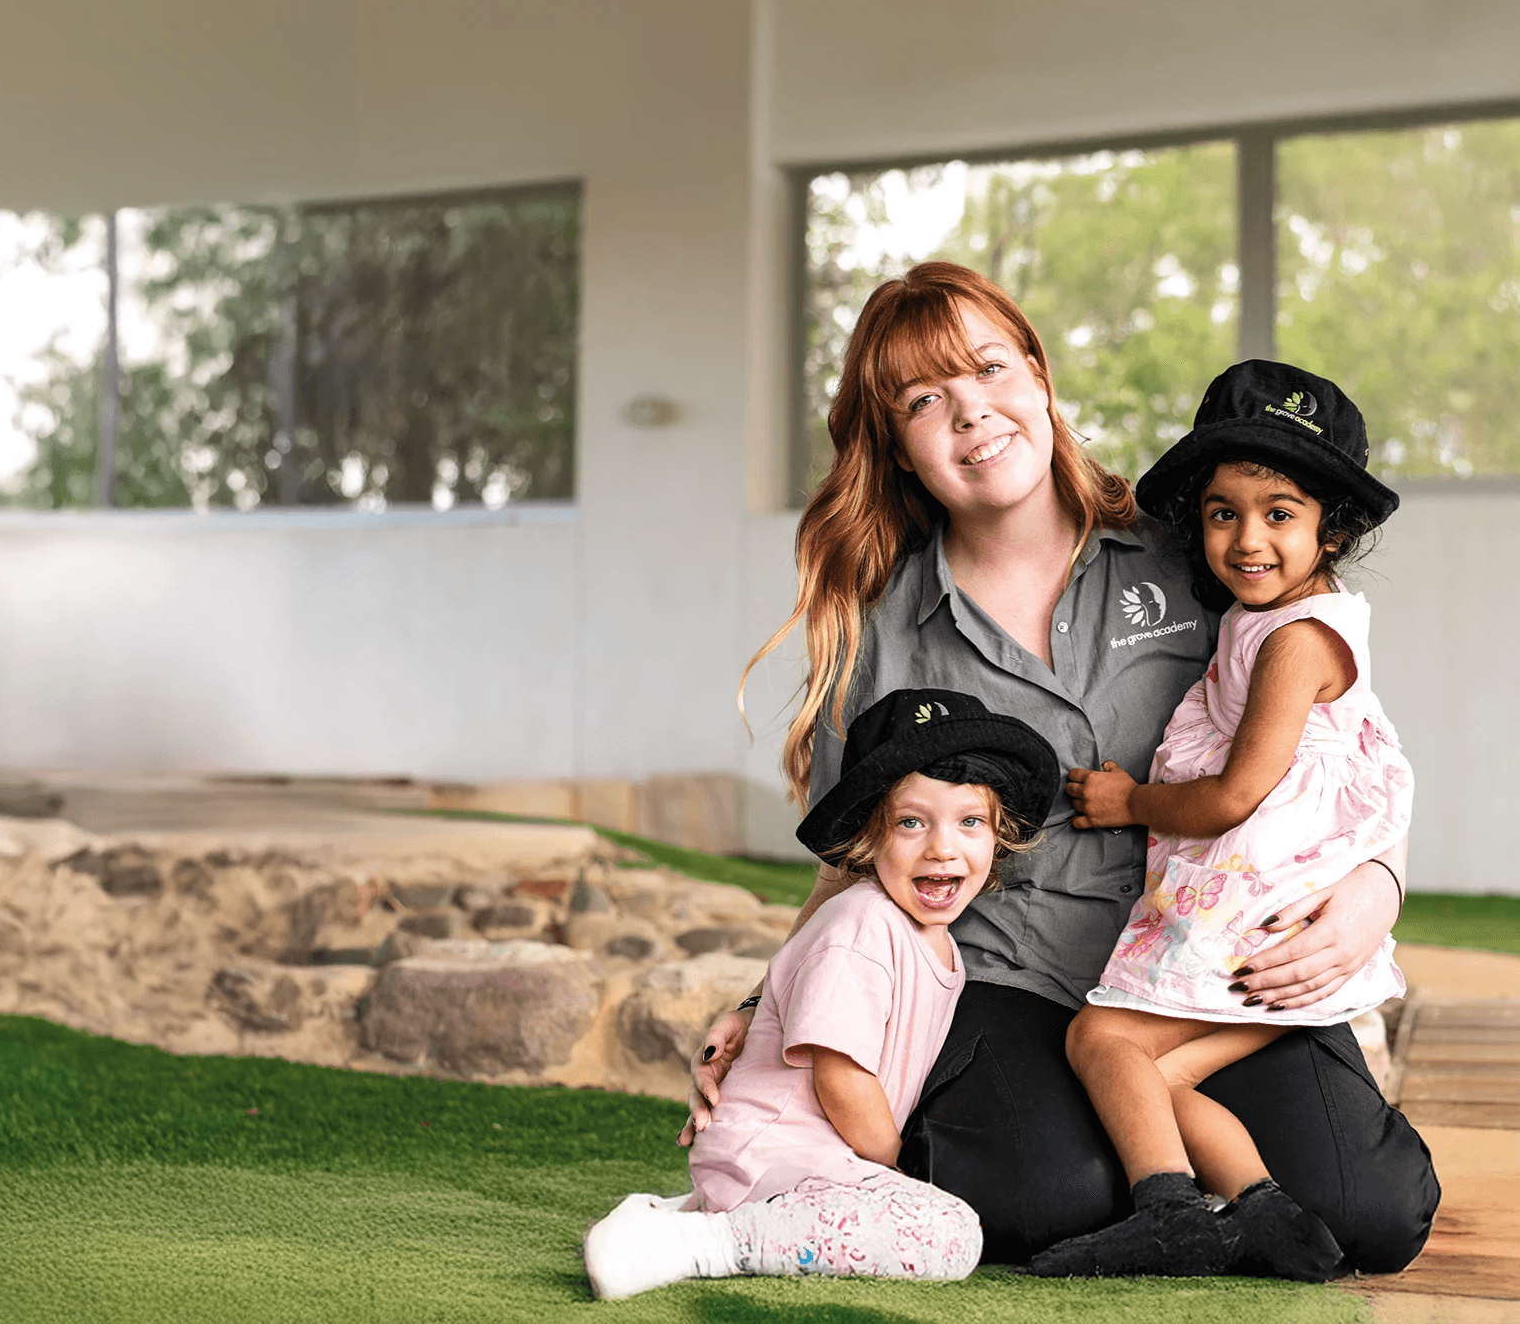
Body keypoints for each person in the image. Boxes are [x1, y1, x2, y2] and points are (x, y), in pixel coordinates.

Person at [684, 261, 1437, 1270]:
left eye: (990, 369)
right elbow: (850, 862)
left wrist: (1375, 889)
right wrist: (762, 1012)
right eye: (924, 401)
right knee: (1049, 1196)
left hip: (1206, 957)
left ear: (1039, 377)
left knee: (1371, 1212)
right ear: (898, 447)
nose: (971, 415)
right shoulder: (882, 636)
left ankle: (1187, 1180)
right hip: (1011, 975)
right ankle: (1135, 1184)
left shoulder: (1197, 548)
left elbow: (1345, 738)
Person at [1021, 361, 1411, 1281]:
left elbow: (1236, 794)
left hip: (1251, 916)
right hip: (1260, 918)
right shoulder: (1266, 620)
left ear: (1333, 528)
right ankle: (1263, 1214)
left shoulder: (1296, 639)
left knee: (1098, 1039)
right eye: (1222, 512)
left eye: (1280, 513)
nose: (1247, 539)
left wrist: (1129, 803)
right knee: (1152, 1079)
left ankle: (1165, 1210)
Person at [583, 688, 1057, 1299]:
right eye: (912, 822)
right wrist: (891, 1166)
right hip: (780, 1154)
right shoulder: (861, 926)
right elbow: (840, 1075)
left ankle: (678, 1216)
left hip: (803, 1159)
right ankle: (702, 1246)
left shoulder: (931, 939)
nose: (943, 846)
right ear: (868, 838)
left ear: (999, 835)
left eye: (969, 822)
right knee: (951, 1233)